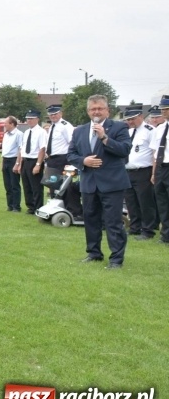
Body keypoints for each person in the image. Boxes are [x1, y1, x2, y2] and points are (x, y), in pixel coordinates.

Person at [67, 94, 131, 269]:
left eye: (100, 108)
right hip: (88, 183)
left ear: (107, 111)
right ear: (88, 111)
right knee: (91, 219)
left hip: (112, 184)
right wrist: (83, 161)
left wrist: (104, 138)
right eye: (93, 109)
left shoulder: (119, 127)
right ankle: (94, 253)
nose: (97, 111)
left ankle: (116, 259)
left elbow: (124, 150)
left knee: (113, 222)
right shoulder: (79, 131)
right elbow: (71, 154)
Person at [122, 105, 157, 241]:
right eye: (128, 119)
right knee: (131, 201)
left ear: (141, 116)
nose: (130, 122)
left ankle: (148, 230)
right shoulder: (129, 132)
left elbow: (154, 153)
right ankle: (135, 227)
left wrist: (154, 173)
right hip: (128, 171)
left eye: (133, 119)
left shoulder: (150, 131)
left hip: (143, 171)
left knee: (145, 201)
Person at [14, 110, 47, 214]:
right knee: (26, 185)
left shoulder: (41, 132)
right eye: (28, 119)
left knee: (36, 186)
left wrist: (38, 164)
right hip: (25, 160)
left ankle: (38, 207)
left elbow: (42, 149)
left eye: (31, 119)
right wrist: (19, 164)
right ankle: (31, 207)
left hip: (34, 160)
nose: (29, 121)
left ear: (37, 119)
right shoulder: (27, 132)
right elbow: (22, 149)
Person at [150, 95, 169, 245]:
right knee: (162, 202)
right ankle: (165, 235)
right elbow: (155, 153)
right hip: (161, 168)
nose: (163, 112)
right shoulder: (160, 128)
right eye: (162, 109)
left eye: (166, 109)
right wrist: (154, 173)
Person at [44, 104, 74, 197]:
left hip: (62, 159)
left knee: (63, 186)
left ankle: (66, 207)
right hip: (51, 159)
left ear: (61, 113)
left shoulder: (65, 125)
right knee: (52, 184)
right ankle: (54, 204)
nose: (53, 116)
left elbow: (72, 143)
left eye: (55, 114)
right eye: (51, 114)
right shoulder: (52, 126)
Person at [0, 116, 23, 212]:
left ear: (12, 124)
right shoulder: (6, 134)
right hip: (6, 159)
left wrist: (17, 163)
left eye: (6, 123)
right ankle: (10, 205)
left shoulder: (19, 134)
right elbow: (4, 150)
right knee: (7, 185)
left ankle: (16, 206)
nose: (4, 125)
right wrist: (2, 162)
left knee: (14, 184)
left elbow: (20, 149)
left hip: (13, 159)